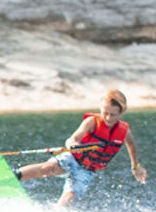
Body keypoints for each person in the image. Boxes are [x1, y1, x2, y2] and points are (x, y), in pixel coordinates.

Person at [16, 88, 147, 205]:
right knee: (48, 168)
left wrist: (135, 166)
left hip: (87, 170)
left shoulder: (125, 132)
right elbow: (72, 138)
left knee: (70, 197)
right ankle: (15, 175)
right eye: (105, 112)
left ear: (121, 112)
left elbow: (132, 146)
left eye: (113, 114)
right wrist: (73, 145)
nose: (107, 117)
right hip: (72, 158)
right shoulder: (91, 122)